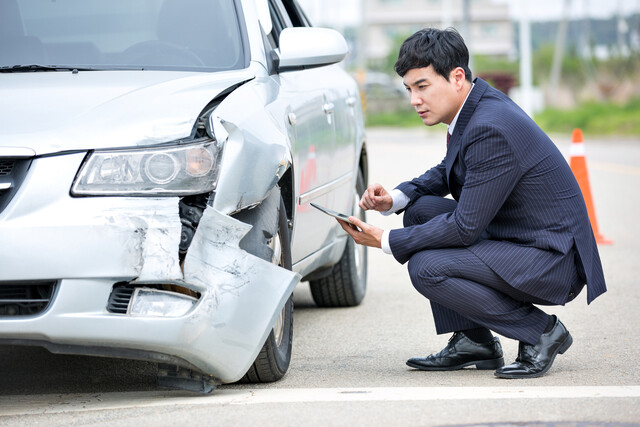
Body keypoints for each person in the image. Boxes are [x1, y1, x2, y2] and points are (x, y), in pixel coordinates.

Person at [338, 27, 606, 379]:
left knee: (427, 268)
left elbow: (464, 227)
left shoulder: (489, 126)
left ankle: (541, 331)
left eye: (422, 87)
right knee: (418, 210)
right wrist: (397, 198)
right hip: (520, 236)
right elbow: (452, 168)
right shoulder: (477, 106)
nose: (414, 100)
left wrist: (385, 240)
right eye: (409, 89)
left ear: (457, 77)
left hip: (551, 258)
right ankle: (473, 341)